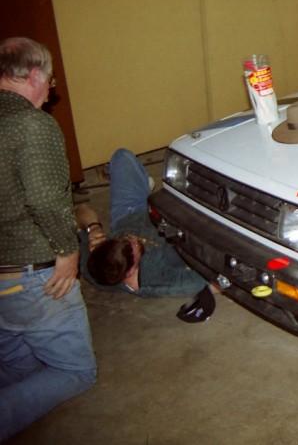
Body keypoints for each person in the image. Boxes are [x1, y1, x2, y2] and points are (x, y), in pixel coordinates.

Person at [0, 37, 97, 441]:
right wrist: (67, 252)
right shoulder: (32, 124)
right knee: (75, 371)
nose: (51, 89)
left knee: (17, 366)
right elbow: (44, 200)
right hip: (33, 274)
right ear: (35, 75)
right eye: (51, 80)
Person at [76, 149, 215, 321]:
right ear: (130, 273)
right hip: (172, 222)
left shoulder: (93, 265)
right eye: (133, 246)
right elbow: (210, 281)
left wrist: (93, 227)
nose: (133, 238)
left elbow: (81, 211)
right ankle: (148, 191)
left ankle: (144, 188)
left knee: (121, 157)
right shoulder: (159, 279)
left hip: (129, 213)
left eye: (123, 240)